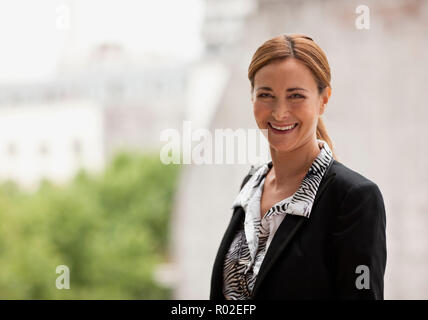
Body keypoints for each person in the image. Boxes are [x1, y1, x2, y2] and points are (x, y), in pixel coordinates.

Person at [210, 34, 387, 300]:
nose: (280, 112)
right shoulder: (252, 184)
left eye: (295, 96)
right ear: (252, 98)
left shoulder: (353, 198)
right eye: (266, 95)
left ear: (323, 99)